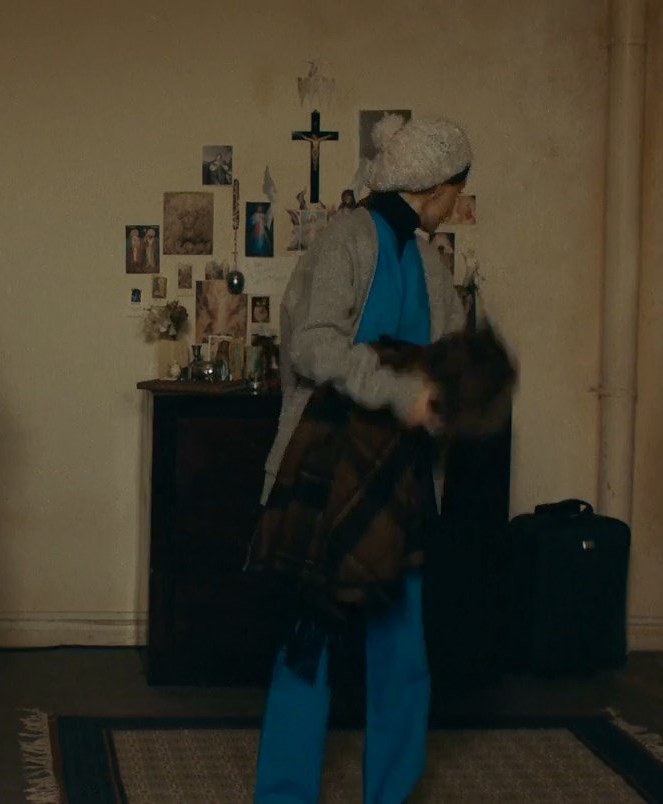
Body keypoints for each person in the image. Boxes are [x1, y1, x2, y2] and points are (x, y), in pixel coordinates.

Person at [251, 113, 472, 804]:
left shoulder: (429, 265)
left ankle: (391, 794)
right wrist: (400, 388)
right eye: (457, 191)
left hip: (400, 480)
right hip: (332, 470)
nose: (456, 205)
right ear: (435, 186)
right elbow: (314, 345)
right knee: (309, 643)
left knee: (402, 650)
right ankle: (283, 796)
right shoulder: (347, 239)